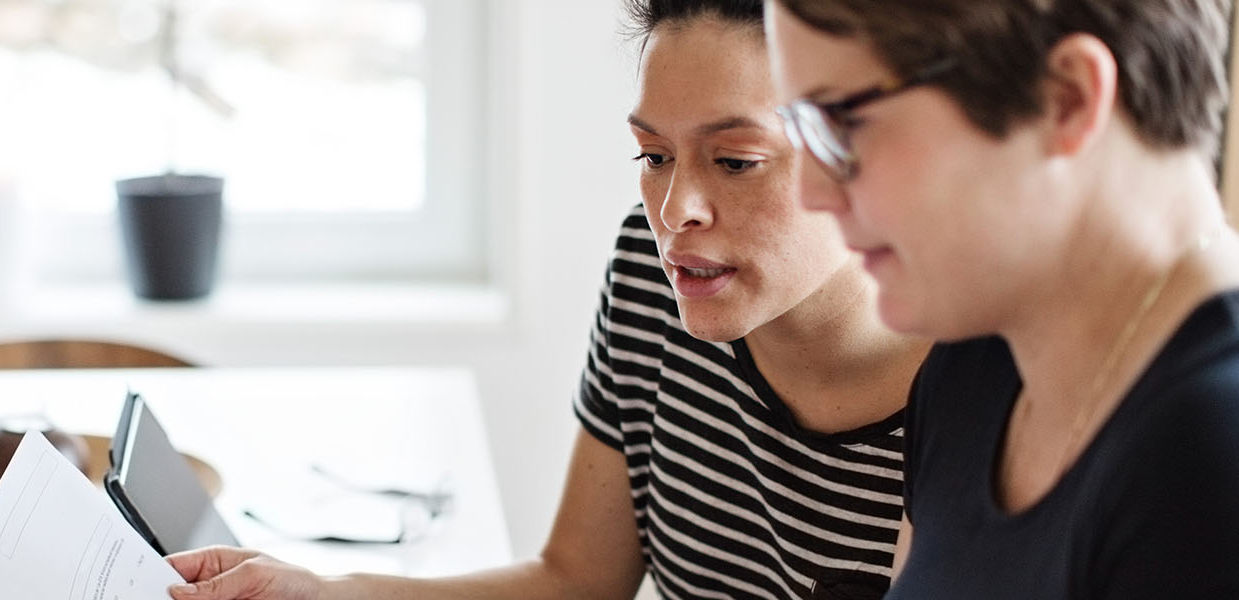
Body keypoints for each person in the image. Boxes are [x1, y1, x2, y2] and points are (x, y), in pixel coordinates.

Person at [161, 2, 930, 599]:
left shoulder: (981, 376)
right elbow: (575, 581)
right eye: (654, 156)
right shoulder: (654, 269)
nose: (675, 209)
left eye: (735, 161)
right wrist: (323, 591)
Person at [766, 0, 1239, 597]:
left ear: (1065, 97)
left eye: (842, 121)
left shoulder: (1212, 454)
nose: (810, 190)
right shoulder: (971, 365)